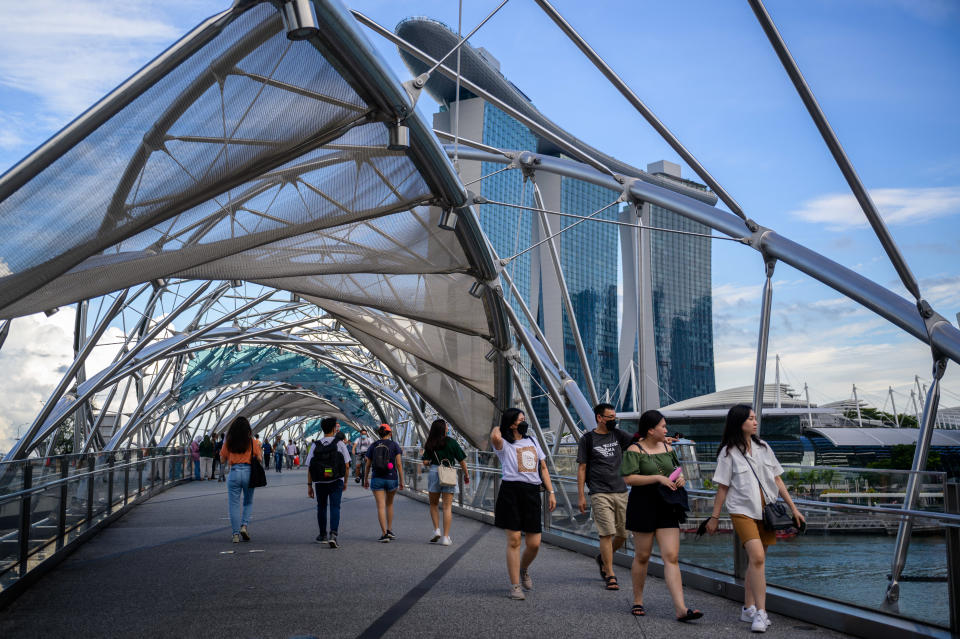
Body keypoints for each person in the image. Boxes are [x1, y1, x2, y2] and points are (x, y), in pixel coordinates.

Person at [705, 405, 805, 633]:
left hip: (767, 510)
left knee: (756, 562)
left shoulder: (763, 447)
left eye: (754, 418)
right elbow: (722, 487)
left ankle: (748, 607)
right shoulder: (728, 452)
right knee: (758, 557)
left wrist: (794, 509)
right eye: (750, 418)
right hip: (742, 510)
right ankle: (761, 613)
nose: (755, 421)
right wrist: (714, 517)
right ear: (739, 423)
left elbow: (777, 481)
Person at [621, 409, 701, 622]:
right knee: (643, 556)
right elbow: (628, 479)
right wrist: (657, 478)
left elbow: (676, 470)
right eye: (663, 426)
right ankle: (637, 600)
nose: (666, 430)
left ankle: (681, 608)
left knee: (671, 556)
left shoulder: (667, 447)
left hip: (668, 504)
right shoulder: (634, 450)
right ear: (650, 430)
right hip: (643, 505)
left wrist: (680, 478)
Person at [491, 408, 556, 601]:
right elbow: (495, 434)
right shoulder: (502, 444)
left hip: (531, 493)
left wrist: (551, 492)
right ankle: (515, 586)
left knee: (534, 543)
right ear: (511, 423)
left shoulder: (533, 441)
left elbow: (543, 468)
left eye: (524, 419)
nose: (524, 422)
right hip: (510, 492)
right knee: (514, 541)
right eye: (520, 420)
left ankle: (523, 568)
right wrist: (500, 425)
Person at [577, 402, 632, 591]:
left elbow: (638, 442)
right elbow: (582, 468)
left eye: (614, 417)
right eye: (610, 417)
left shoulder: (618, 435)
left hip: (621, 490)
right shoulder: (588, 439)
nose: (613, 420)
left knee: (623, 534)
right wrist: (581, 496)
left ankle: (602, 557)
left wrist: (661, 440)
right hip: (599, 492)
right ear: (599, 418)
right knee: (606, 533)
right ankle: (610, 573)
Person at [421, 418, 469, 545]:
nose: (448, 428)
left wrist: (432, 462)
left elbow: (425, 462)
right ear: (443, 429)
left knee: (434, 504)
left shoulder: (430, 443)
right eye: (446, 426)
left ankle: (437, 530)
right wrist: (466, 474)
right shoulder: (452, 442)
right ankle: (446, 537)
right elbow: (462, 460)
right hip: (448, 473)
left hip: (434, 472)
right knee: (447, 507)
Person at [306, 417, 351, 548]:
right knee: (335, 507)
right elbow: (347, 465)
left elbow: (310, 467)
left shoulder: (315, 445)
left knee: (321, 507)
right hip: (336, 480)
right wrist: (346, 482)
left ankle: (322, 535)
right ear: (333, 429)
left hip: (320, 481)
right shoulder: (340, 444)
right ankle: (333, 534)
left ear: (322, 429)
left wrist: (309, 486)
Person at [219, 416, 263, 543]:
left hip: (234, 472)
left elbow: (222, 459)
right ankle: (244, 526)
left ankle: (235, 534)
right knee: (248, 502)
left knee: (234, 504)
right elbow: (259, 458)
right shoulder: (252, 441)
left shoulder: (229, 441)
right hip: (249, 473)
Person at [363, 424, 404, 542]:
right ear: (390, 433)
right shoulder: (394, 445)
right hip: (392, 478)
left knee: (380, 506)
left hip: (377, 478)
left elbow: (368, 465)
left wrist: (366, 479)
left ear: (379, 433)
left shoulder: (373, 445)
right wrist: (401, 480)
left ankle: (384, 533)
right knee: (389, 504)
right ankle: (390, 530)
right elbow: (399, 465)